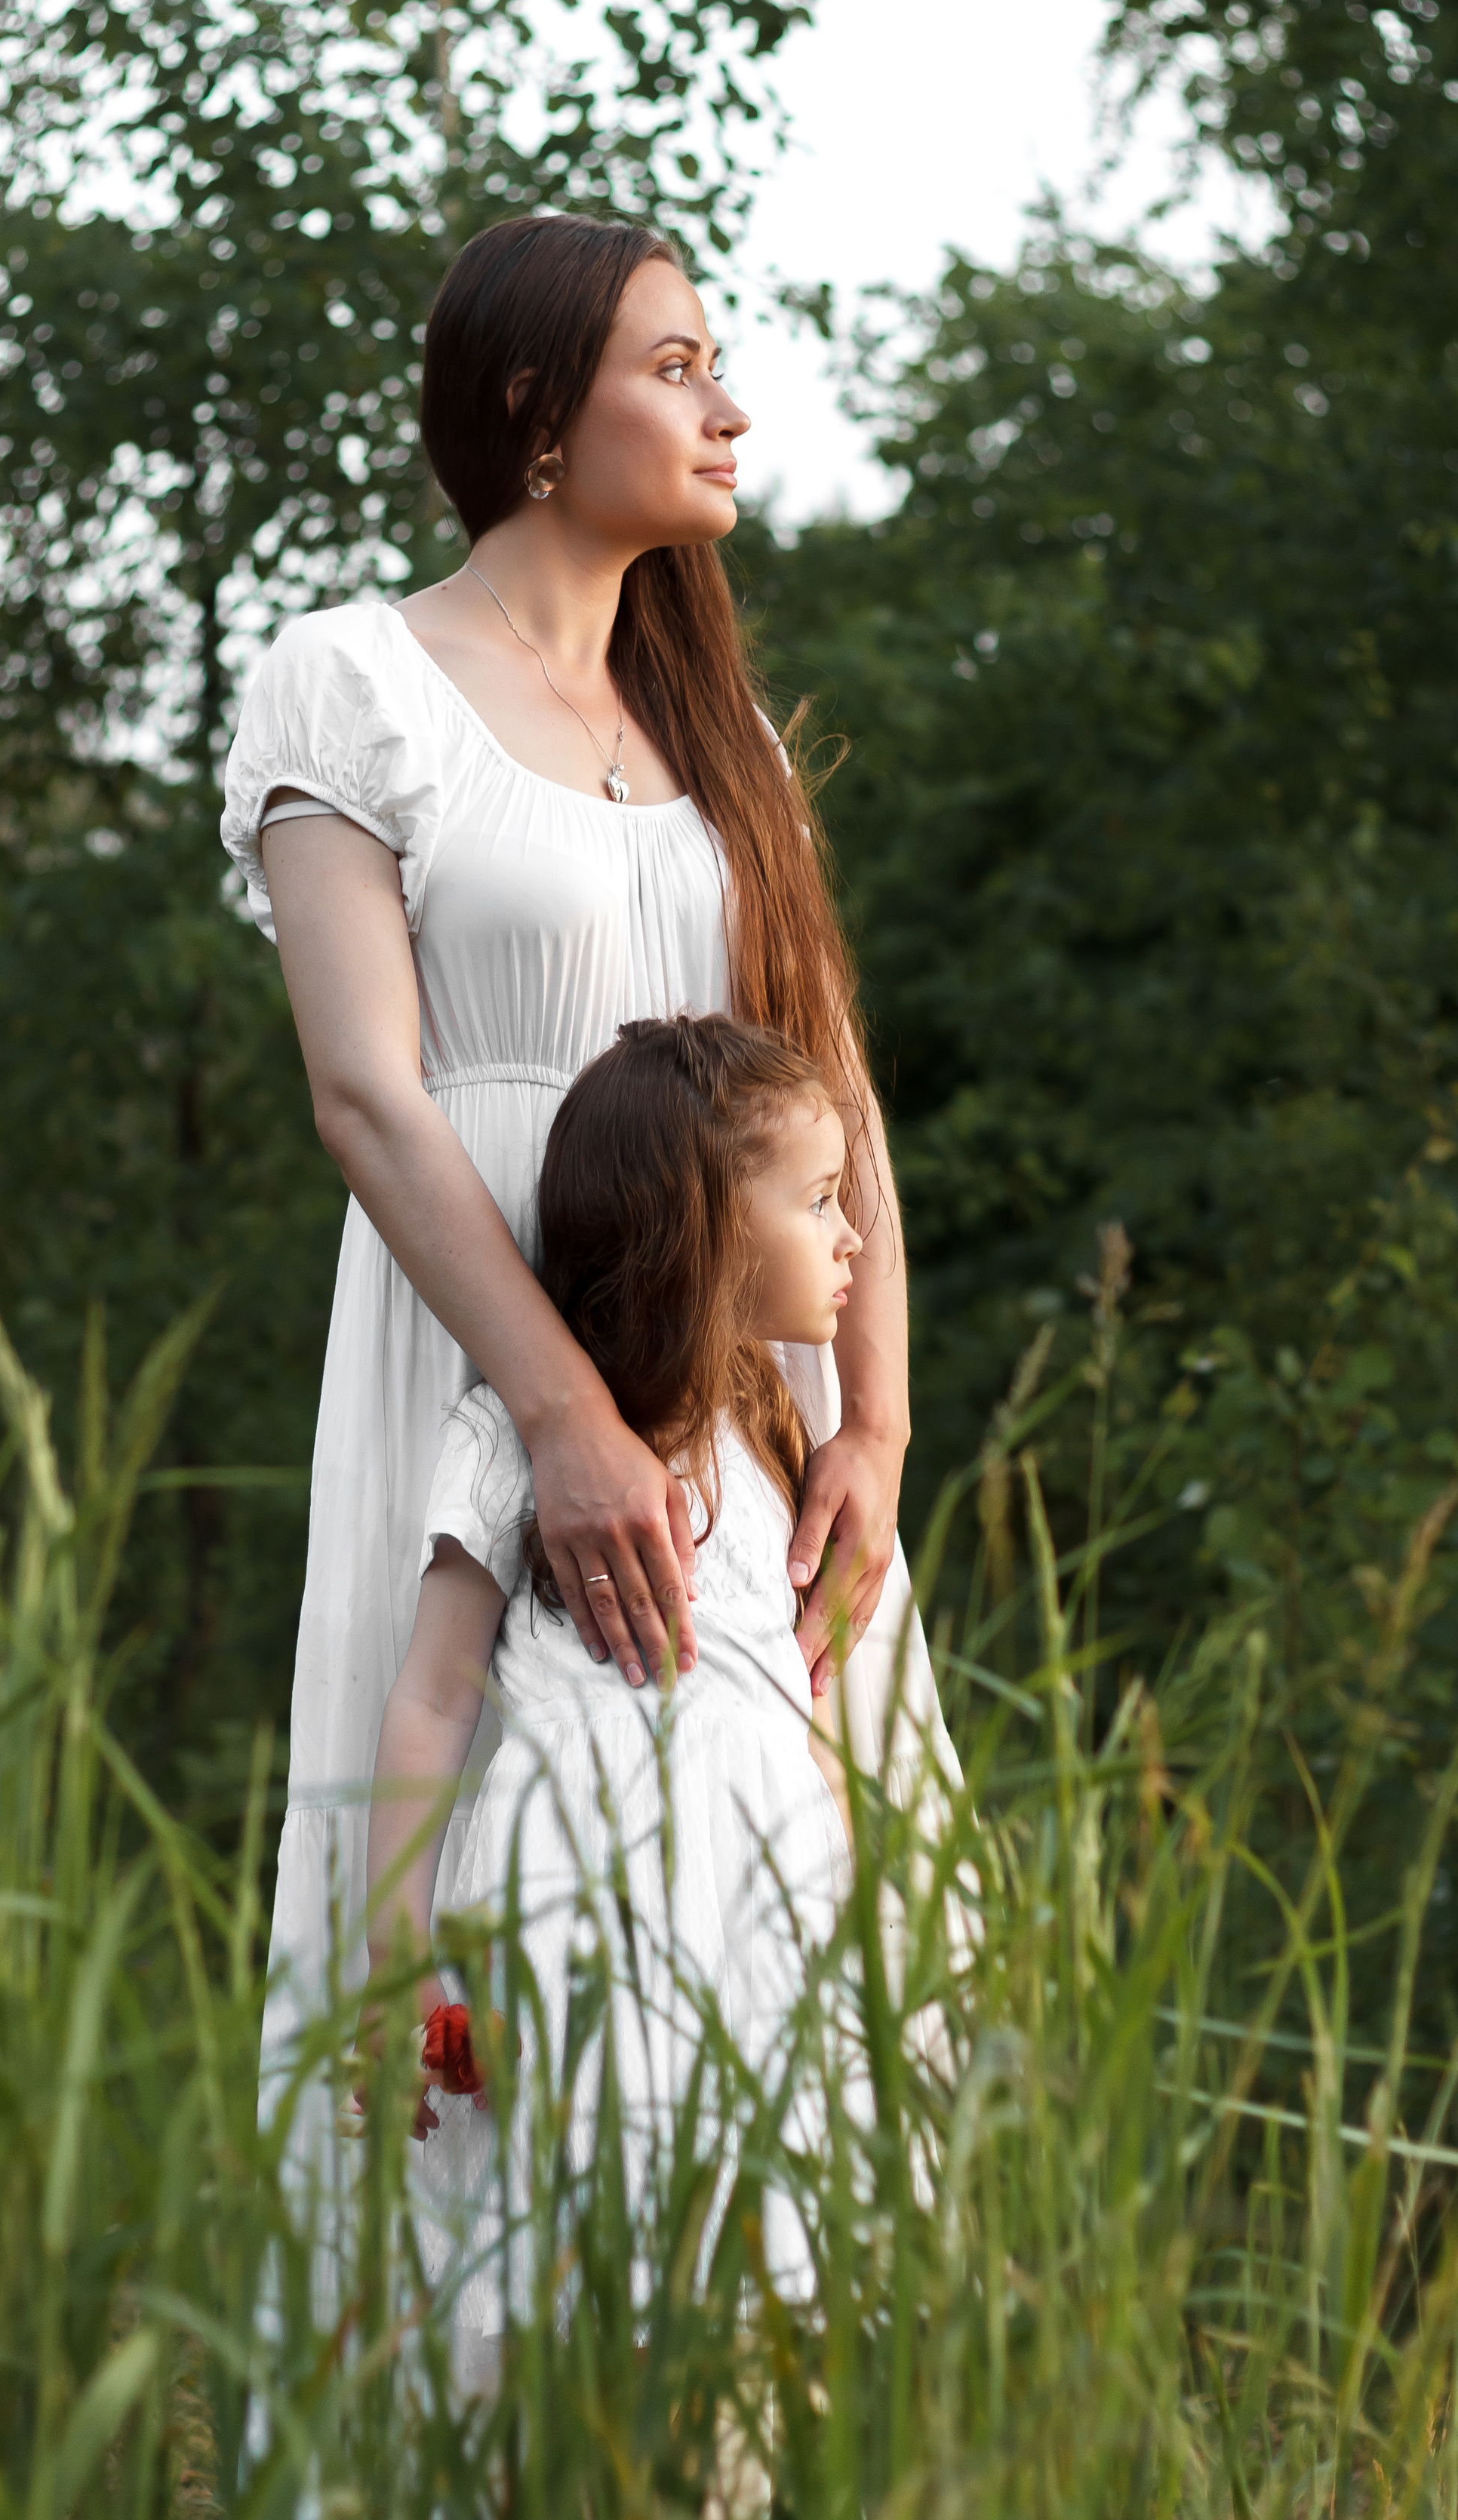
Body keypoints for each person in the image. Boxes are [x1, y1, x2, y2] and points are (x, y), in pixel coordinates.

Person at [219, 211, 958, 2228]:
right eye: (678, 364)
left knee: (799, 1905)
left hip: (760, 1423)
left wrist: (876, 1429)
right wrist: (555, 1418)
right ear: (537, 415)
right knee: (475, 1853)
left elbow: (838, 1100)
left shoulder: (726, 747)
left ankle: (767, 2478)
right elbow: (368, 1090)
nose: (731, 409)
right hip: (487, 1353)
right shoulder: (353, 685)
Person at [356, 1017, 861, 2377]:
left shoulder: (774, 1436)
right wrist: (396, 1963)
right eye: (817, 1202)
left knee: (764, 2263)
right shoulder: (516, 1446)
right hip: (584, 1918)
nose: (853, 1236)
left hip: (766, 1917)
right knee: (586, 2255)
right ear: (703, 1232)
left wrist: (857, 1917)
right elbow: (430, 1703)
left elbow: (804, 1715)